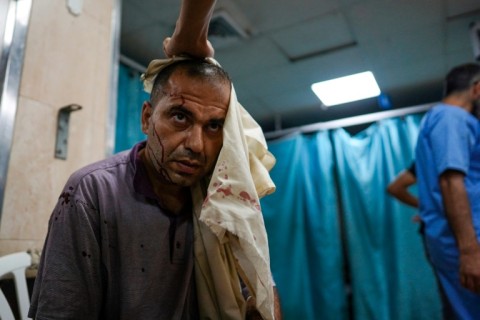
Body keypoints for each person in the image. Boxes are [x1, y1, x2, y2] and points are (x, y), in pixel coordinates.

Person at [28, 0, 282, 319]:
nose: (196, 144)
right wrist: (189, 31)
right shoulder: (92, 194)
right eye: (179, 116)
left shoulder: (220, 197)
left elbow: (260, 288)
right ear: (147, 118)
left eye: (214, 126)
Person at [415, 62, 480, 319]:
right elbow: (451, 182)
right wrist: (470, 251)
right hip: (466, 240)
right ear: (477, 89)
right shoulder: (451, 118)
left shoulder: (442, 118)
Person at [387, 162, 455, 319]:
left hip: (438, 238)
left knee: (452, 299)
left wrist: (430, 209)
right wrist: (431, 209)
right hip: (452, 239)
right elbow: (395, 188)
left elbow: (395, 187)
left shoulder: (428, 158)